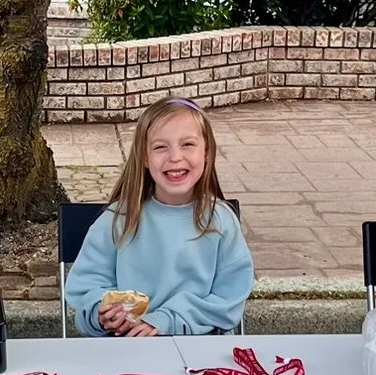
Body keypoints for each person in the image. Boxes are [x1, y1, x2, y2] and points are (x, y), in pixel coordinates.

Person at [65, 96, 255, 337]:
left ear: (207, 152)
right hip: (127, 350)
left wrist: (166, 320)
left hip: (202, 353)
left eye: (187, 144)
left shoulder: (222, 222)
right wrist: (101, 314)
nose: (175, 157)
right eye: (160, 147)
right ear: (144, 157)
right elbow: (87, 288)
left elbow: (229, 300)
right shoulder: (116, 220)